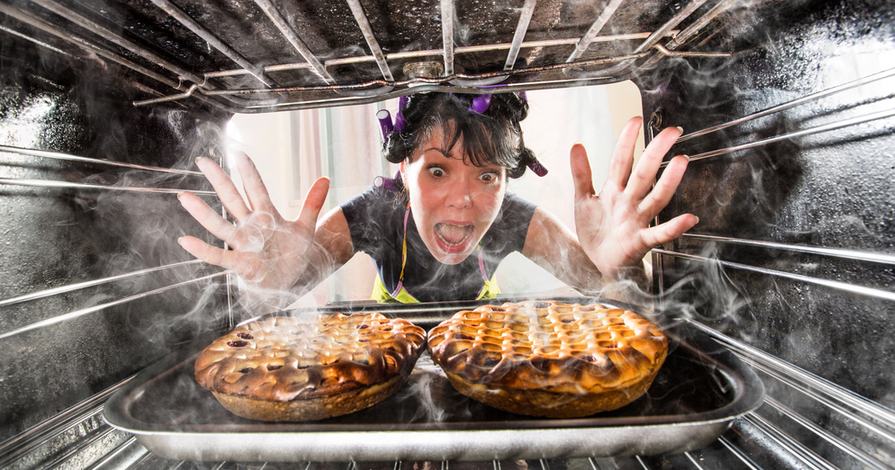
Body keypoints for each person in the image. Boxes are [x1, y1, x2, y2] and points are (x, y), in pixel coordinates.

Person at [176, 91, 696, 306]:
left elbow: (614, 295)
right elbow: (292, 277)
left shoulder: (514, 219)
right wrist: (277, 282)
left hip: (485, 370)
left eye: (487, 176)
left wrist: (622, 272)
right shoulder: (377, 214)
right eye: (438, 170)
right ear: (403, 170)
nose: (463, 201)